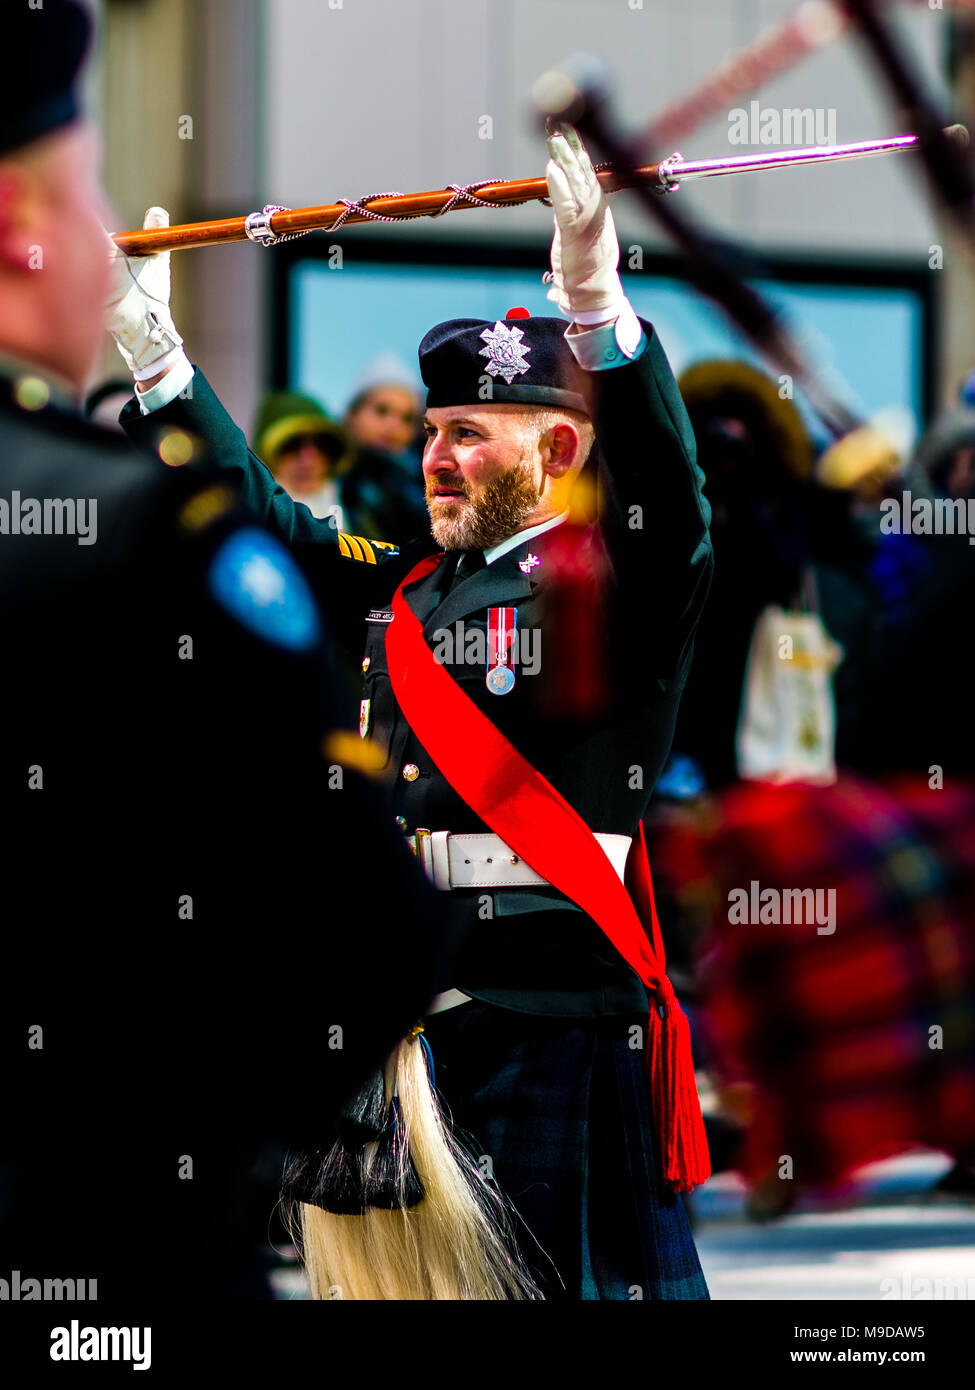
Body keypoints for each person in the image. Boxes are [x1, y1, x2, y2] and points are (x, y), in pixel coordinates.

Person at [111, 123, 713, 1299]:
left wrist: (595, 300)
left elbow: (673, 501)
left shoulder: (619, 584)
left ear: (556, 447)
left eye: (467, 437)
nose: (436, 457)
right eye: (434, 434)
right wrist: (157, 362)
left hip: (551, 1007)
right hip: (410, 1010)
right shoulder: (399, 582)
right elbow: (255, 527)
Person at [0, 0, 456, 1303]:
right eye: (86, 195)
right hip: (108, 1243)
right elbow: (361, 943)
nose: (434, 454)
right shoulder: (142, 531)